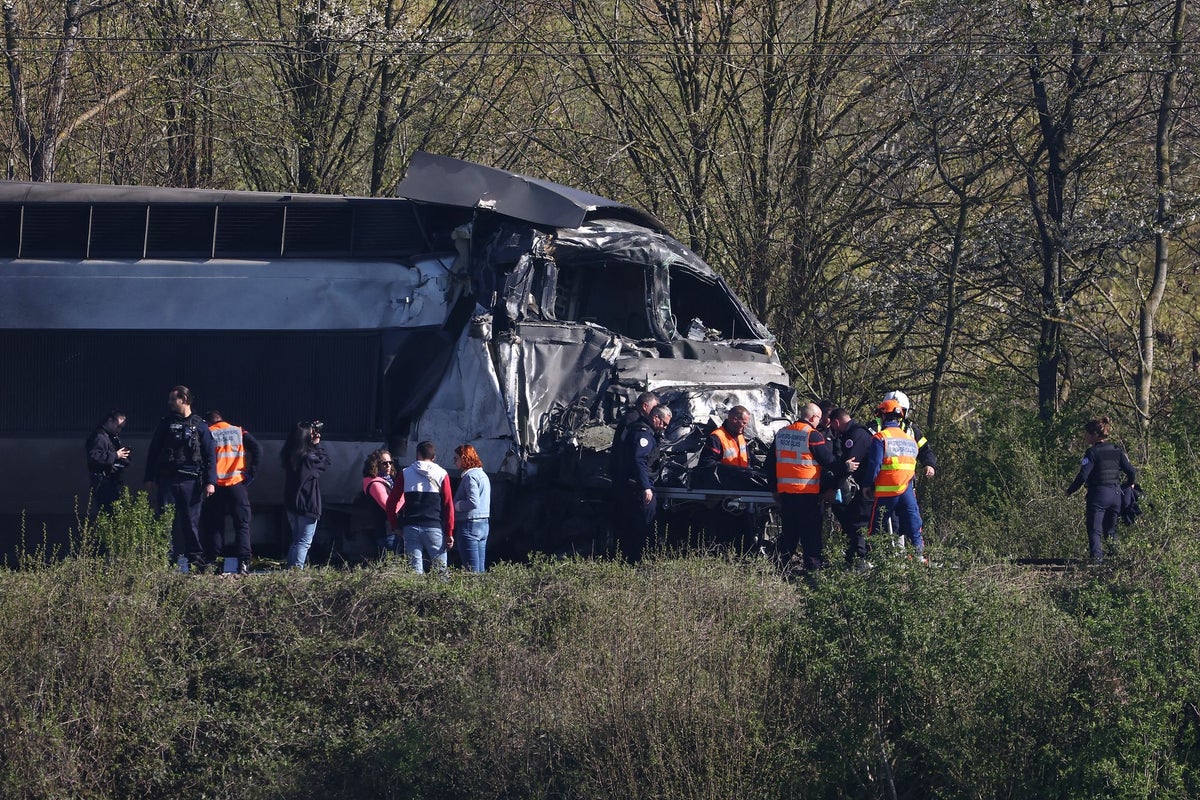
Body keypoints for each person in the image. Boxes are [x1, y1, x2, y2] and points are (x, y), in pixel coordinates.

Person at [143, 386, 217, 571]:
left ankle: (196, 562)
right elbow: (153, 452)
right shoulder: (166, 424)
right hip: (168, 480)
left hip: (191, 481)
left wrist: (210, 482)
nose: (169, 403)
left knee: (191, 523)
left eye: (172, 399)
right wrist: (149, 478)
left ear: (184, 399)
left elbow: (210, 456)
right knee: (165, 523)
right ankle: (163, 562)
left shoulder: (200, 425)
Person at [768, 402, 837, 571]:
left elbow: (769, 464)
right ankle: (813, 575)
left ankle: (778, 569)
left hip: (786, 494)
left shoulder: (782, 433)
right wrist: (845, 467)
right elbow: (828, 461)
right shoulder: (812, 435)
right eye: (819, 419)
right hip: (807, 495)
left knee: (789, 534)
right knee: (811, 537)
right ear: (813, 417)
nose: (819, 423)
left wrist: (774, 489)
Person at [1066, 416, 1137, 563]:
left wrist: (1070, 491)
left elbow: (1083, 476)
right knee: (1111, 531)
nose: (1084, 436)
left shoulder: (1092, 452)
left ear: (1094, 435)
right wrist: (1127, 484)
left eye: (1086, 433)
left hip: (1098, 496)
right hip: (1116, 495)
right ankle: (1117, 562)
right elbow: (1131, 471)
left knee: (1095, 531)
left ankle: (1096, 565)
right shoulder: (1117, 450)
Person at [199, 410, 262, 575]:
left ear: (208, 422)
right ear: (222, 419)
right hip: (236, 484)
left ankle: (212, 562)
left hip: (215, 486)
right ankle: (243, 564)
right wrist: (251, 474)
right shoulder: (238, 431)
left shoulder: (208, 432)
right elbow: (257, 449)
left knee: (214, 526)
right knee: (242, 525)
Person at [863, 399, 925, 561]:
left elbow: (874, 465)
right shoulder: (910, 439)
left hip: (886, 490)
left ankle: (874, 559)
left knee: (876, 526)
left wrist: (867, 485)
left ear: (883, 416)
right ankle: (919, 556)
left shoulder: (880, 438)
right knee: (913, 523)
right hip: (907, 489)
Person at [386, 441, 455, 574]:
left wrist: (395, 526)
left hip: (410, 528)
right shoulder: (442, 474)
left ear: (417, 454)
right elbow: (448, 505)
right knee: (441, 572)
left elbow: (391, 503)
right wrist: (449, 532)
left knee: (414, 573)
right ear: (434, 457)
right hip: (434, 527)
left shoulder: (406, 473)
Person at [616, 404, 672, 562]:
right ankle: (639, 560)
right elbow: (639, 461)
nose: (665, 428)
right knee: (644, 526)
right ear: (656, 418)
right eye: (664, 424)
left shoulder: (646, 432)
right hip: (639, 488)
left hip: (636, 485)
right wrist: (646, 487)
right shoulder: (644, 434)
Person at [280, 420, 331, 569]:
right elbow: (326, 461)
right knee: (304, 542)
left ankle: (290, 570)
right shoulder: (309, 458)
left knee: (296, 540)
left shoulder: (289, 455)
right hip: (307, 502)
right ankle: (296, 570)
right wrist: (317, 445)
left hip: (292, 502)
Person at [827, 407, 874, 567]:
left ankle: (860, 560)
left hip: (870, 488)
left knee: (857, 522)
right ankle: (853, 558)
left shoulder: (855, 436)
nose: (833, 432)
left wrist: (833, 488)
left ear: (837, 422)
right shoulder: (857, 433)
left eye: (833, 427)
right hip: (868, 486)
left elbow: (849, 465)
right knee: (851, 520)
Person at [84, 409, 131, 520]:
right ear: (110, 421)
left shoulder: (112, 437)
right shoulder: (99, 436)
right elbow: (95, 457)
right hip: (103, 482)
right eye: (118, 426)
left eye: (121, 428)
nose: (119, 430)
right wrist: (116, 455)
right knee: (107, 514)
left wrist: (124, 458)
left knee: (115, 515)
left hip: (112, 481)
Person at [453, 444, 492, 573]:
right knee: (480, 568)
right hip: (483, 524)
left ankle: (474, 591)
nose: (454, 462)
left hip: (470, 524)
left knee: (471, 569)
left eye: (456, 458)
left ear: (464, 459)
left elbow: (473, 502)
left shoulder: (470, 477)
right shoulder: (483, 475)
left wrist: (457, 506)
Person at [360, 448, 396, 556]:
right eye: (384, 463)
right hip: (386, 531)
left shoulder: (387, 480)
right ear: (376, 465)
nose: (388, 465)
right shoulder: (376, 484)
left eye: (390, 462)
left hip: (390, 529)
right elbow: (387, 506)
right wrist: (403, 496)